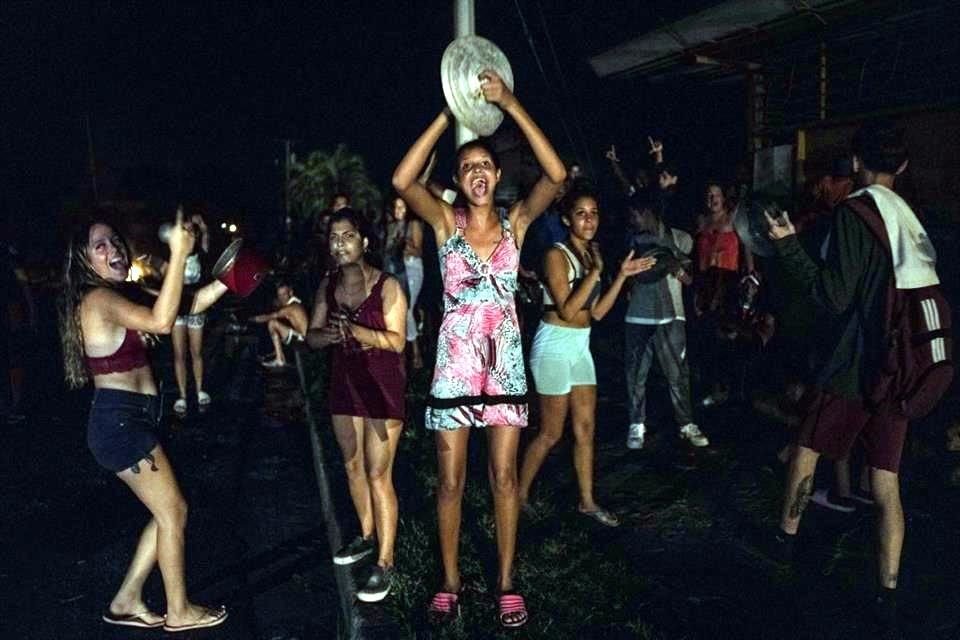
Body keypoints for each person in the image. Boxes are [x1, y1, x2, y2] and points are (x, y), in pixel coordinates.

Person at [392, 70, 566, 628]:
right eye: (467, 167)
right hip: (455, 368)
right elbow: (401, 180)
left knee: (505, 478)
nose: (478, 174)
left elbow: (557, 174)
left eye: (485, 165)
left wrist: (510, 102)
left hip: (505, 367)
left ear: (497, 173)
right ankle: (450, 581)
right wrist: (448, 111)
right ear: (458, 179)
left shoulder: (517, 222)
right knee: (449, 480)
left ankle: (506, 581)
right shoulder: (446, 224)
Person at [765, 120, 938, 635]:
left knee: (806, 449)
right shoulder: (912, 220)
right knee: (887, 483)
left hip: (852, 365)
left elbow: (834, 296)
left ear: (857, 163)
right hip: (900, 369)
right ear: (903, 166)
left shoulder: (855, 213)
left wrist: (788, 244)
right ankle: (888, 588)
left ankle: (785, 542)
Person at [58, 209, 229, 633]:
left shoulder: (121, 295)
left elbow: (187, 304)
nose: (113, 248)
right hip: (120, 425)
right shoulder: (99, 300)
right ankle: (179, 611)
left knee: (166, 511)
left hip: (132, 421)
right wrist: (178, 251)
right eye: (101, 245)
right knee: (174, 512)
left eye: (115, 241)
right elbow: (162, 320)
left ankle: (127, 598)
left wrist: (230, 278)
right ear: (84, 260)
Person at [518, 187, 656, 526]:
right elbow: (566, 309)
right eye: (581, 213)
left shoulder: (591, 255)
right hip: (553, 344)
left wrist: (621, 276)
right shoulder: (556, 254)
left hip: (581, 344)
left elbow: (595, 313)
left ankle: (587, 502)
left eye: (593, 213)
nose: (589, 219)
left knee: (585, 427)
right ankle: (516, 493)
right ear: (567, 219)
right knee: (551, 432)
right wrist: (596, 273)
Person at [306, 208, 407, 603]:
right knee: (351, 465)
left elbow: (398, 341)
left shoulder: (387, 285)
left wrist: (359, 330)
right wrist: (329, 335)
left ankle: (386, 561)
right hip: (343, 384)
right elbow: (310, 337)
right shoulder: (327, 285)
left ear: (364, 242)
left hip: (381, 387)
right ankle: (367, 536)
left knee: (378, 472)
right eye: (334, 237)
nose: (340, 244)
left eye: (348, 236)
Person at [623, 190, 709, 450]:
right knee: (636, 374)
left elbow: (691, 277)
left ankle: (686, 424)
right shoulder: (630, 241)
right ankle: (636, 425)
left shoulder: (680, 238)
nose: (633, 220)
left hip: (672, 315)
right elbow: (624, 277)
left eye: (635, 214)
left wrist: (674, 265)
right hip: (638, 316)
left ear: (648, 213)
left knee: (677, 374)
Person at [160, 213, 211, 416]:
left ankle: (199, 391)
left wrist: (203, 227)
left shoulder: (200, 251)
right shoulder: (173, 255)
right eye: (185, 229)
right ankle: (182, 396)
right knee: (179, 354)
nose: (189, 232)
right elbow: (164, 276)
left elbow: (206, 238)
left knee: (196, 352)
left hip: (196, 307)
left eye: (192, 230)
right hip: (177, 309)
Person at [384, 196, 426, 369]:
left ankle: (416, 353)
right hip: (394, 270)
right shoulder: (391, 227)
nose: (399, 211)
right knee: (397, 310)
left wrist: (406, 247)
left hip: (412, 269)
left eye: (402, 207)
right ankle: (402, 353)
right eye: (396, 207)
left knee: (407, 308)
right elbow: (386, 251)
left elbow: (418, 251)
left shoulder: (414, 225)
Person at [251, 281, 308, 369]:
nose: (282, 298)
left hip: (303, 341)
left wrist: (252, 319)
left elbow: (269, 317)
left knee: (272, 323)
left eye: (284, 294)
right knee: (279, 324)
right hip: (302, 338)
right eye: (279, 295)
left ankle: (280, 359)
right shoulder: (295, 302)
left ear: (291, 292)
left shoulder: (291, 307)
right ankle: (277, 353)